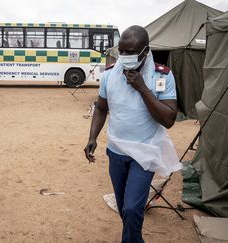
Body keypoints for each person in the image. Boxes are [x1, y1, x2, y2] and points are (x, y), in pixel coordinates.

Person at [84, 25, 181, 243]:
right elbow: (101, 108)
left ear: (145, 51)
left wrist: (143, 89)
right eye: (122, 51)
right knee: (125, 209)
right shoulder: (110, 74)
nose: (125, 56)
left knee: (131, 208)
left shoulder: (162, 76)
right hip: (116, 151)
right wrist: (92, 138)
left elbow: (169, 119)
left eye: (131, 52)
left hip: (145, 152)